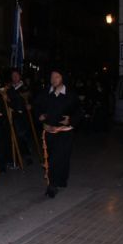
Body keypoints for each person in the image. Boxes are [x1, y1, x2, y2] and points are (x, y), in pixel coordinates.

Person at [35, 69, 82, 198]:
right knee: (52, 158)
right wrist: (41, 120)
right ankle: (59, 180)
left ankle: (53, 185)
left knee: (60, 158)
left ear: (63, 78)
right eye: (52, 77)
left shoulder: (70, 95)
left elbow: (79, 112)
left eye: (57, 77)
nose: (53, 79)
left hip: (65, 133)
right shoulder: (45, 94)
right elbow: (37, 109)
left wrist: (70, 120)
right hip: (50, 131)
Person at [7, 69, 35, 165]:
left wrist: (30, 105)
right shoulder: (9, 89)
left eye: (16, 75)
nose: (14, 77)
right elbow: (8, 101)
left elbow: (33, 100)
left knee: (23, 136)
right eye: (13, 75)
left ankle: (27, 156)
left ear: (20, 76)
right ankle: (17, 157)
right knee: (15, 137)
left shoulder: (26, 87)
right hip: (13, 116)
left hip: (24, 116)